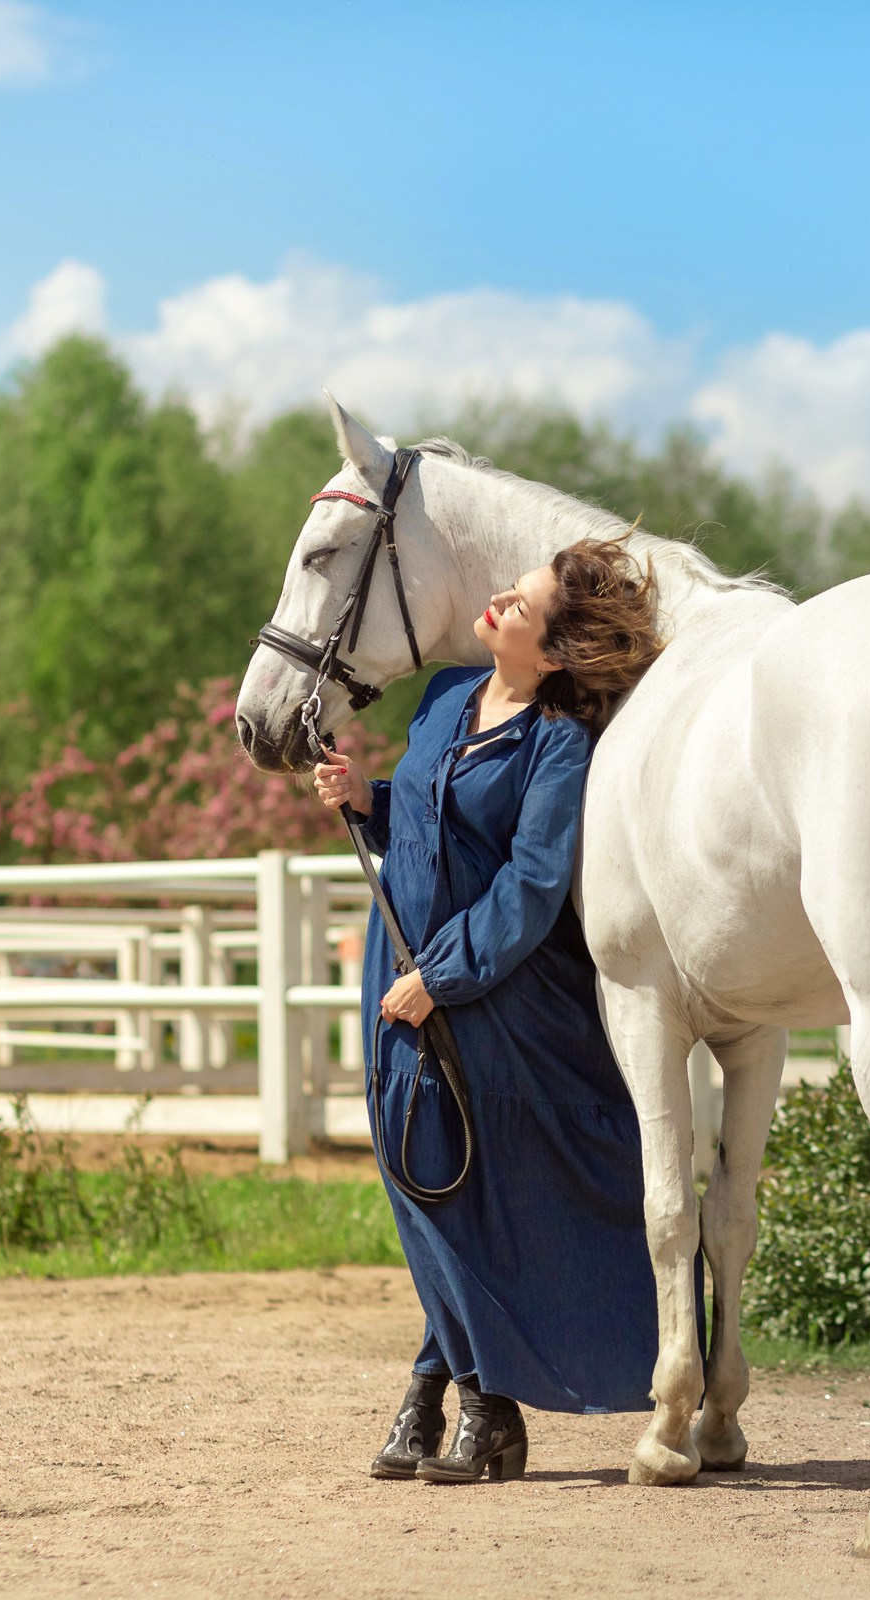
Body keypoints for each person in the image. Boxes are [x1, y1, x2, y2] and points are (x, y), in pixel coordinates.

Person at [312, 536, 666, 1485]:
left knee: (458, 1189)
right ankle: (450, 1395)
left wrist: (444, 976)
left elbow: (532, 882)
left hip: (497, 998)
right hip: (398, 977)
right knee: (413, 1177)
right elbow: (430, 822)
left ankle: (468, 1403)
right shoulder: (442, 702)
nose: (501, 600)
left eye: (525, 602)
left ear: (552, 653)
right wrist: (366, 800)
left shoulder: (560, 743)